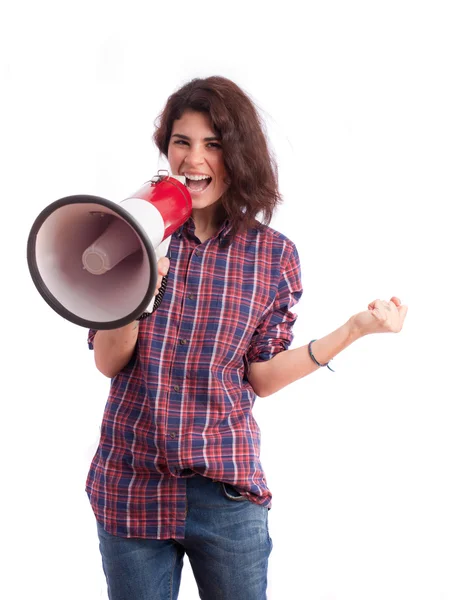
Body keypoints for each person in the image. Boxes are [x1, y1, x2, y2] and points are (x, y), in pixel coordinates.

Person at [86, 75, 408, 600]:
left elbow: (260, 376)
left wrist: (354, 330)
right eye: (181, 142)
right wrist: (141, 278)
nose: (194, 159)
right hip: (131, 487)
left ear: (237, 154)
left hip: (225, 495)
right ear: (165, 149)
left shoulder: (272, 256)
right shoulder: (134, 233)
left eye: (213, 144)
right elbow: (109, 361)